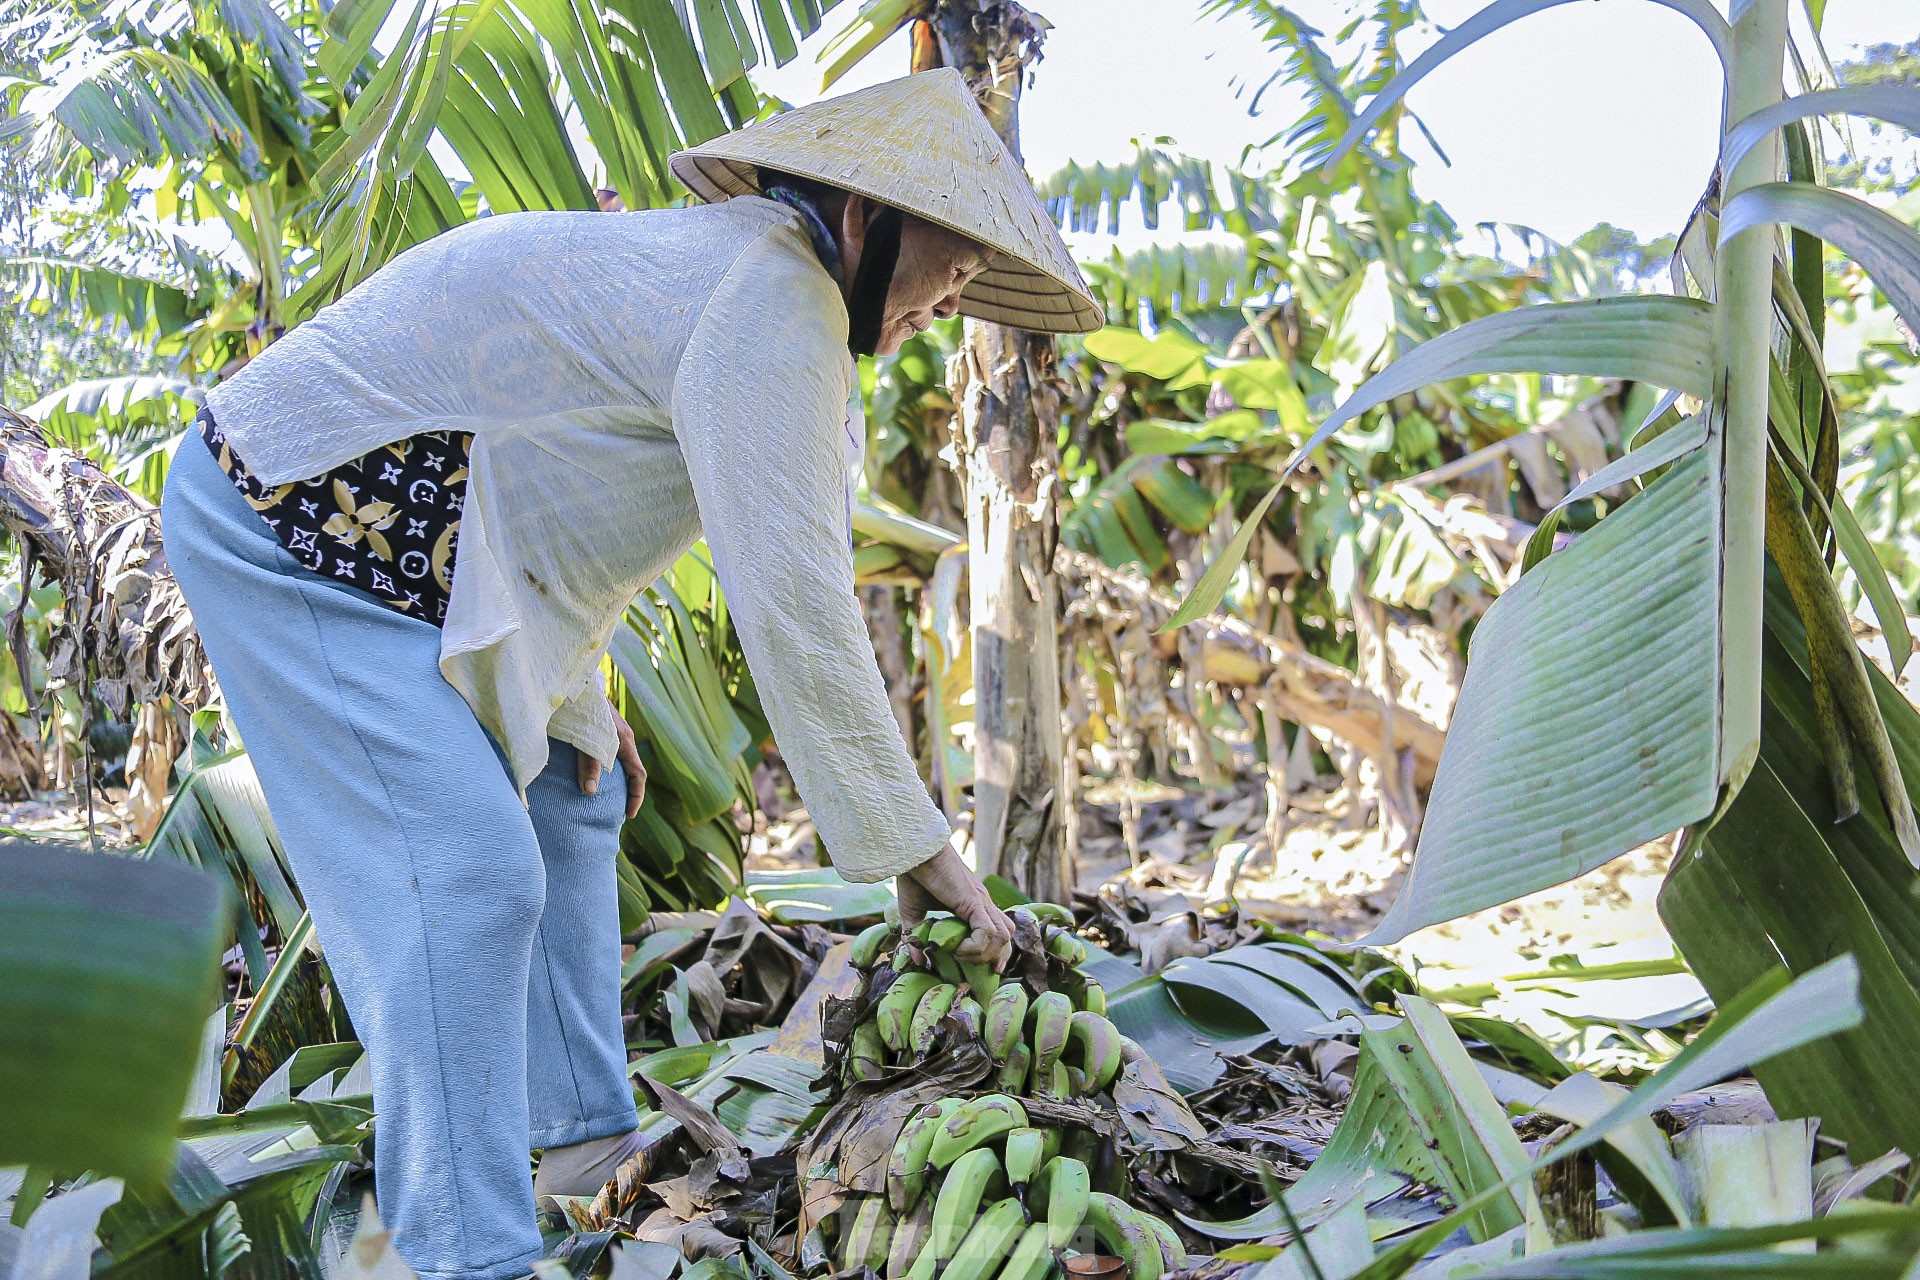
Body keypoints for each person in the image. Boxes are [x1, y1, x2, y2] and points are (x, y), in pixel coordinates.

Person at [160, 68, 1100, 1279]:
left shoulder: (740, 278)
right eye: (949, 257)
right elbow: (797, 600)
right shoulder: (774, 298)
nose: (956, 290)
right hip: (291, 520)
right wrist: (922, 851)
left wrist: (581, 700)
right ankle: (465, 1250)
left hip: (429, 543)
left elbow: (566, 481)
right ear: (864, 221)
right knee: (464, 878)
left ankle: (570, 1142)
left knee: (580, 783)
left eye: (977, 269)